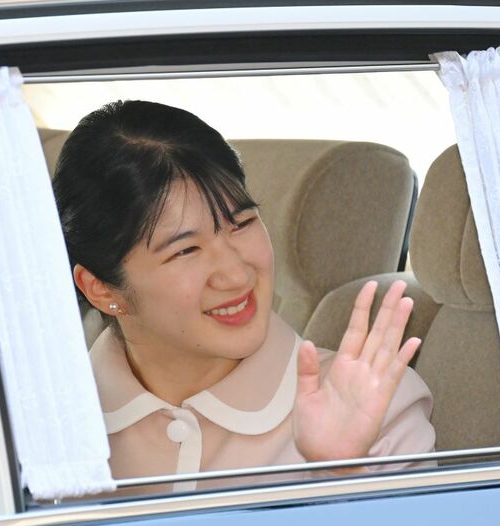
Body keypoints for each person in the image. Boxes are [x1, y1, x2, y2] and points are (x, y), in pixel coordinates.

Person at [54, 100, 434, 493]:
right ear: (100, 288)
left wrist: (340, 472)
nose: (237, 275)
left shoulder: (375, 408)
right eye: (186, 250)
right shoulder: (40, 431)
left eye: (242, 223)